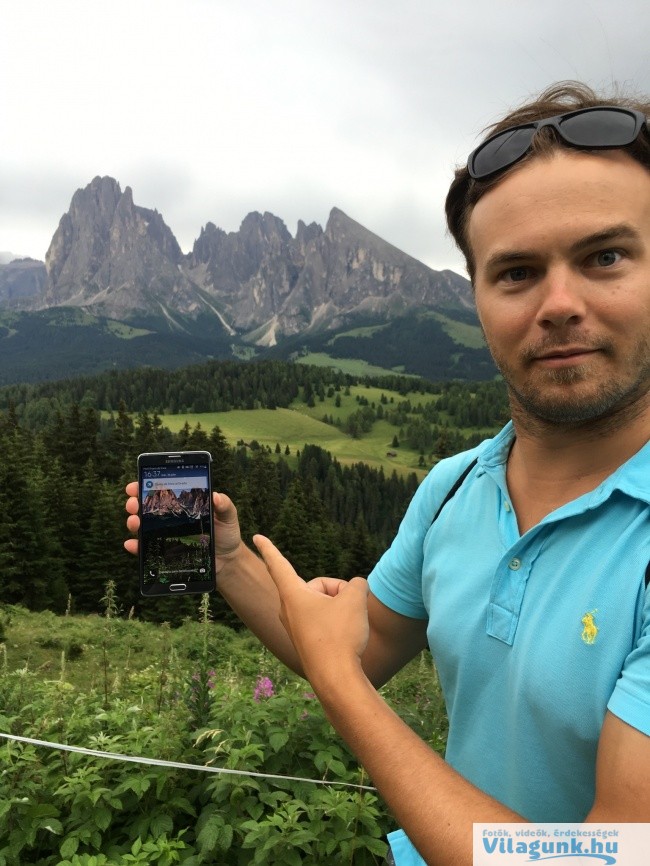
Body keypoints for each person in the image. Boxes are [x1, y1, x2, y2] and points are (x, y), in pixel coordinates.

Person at [126, 81, 650, 865]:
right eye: (515, 273)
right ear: (472, 295)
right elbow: (356, 645)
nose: (559, 303)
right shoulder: (451, 490)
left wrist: (343, 692)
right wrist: (228, 562)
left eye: (605, 256)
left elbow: (613, 856)